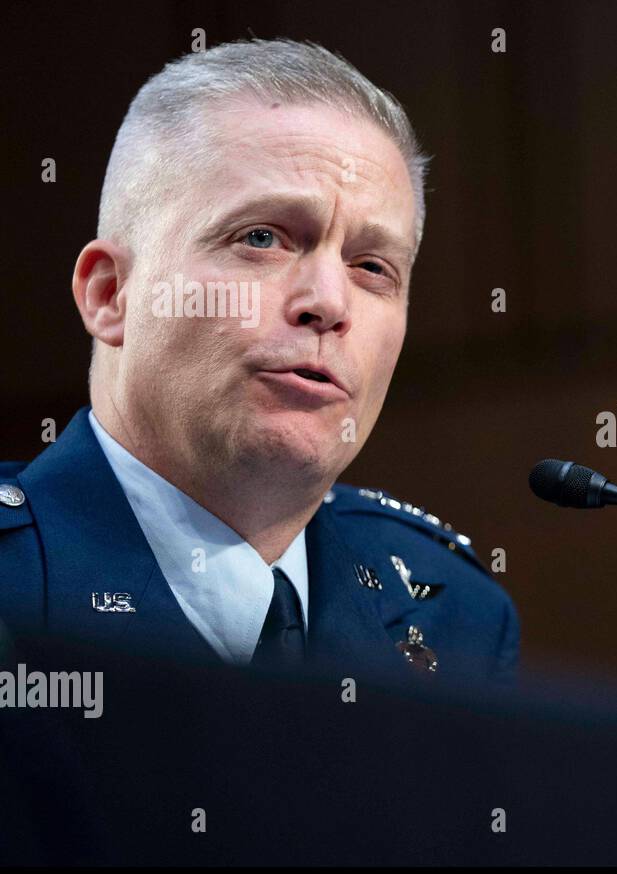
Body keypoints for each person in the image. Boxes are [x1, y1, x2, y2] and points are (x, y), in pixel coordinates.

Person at [0, 39, 519, 685]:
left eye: (371, 267)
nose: (328, 303)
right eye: (262, 238)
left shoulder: (457, 616)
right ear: (112, 295)